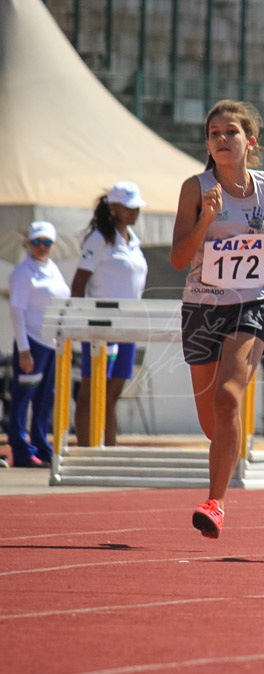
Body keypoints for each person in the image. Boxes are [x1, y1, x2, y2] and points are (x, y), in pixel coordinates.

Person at [171, 99, 264, 539]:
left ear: (250, 140)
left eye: (230, 132)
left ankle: (215, 503)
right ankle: (230, 448)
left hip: (252, 304)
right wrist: (207, 219)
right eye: (214, 134)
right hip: (201, 306)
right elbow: (178, 258)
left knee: (229, 397)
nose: (221, 140)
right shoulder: (195, 189)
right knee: (212, 422)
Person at [71, 181, 149, 447]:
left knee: (113, 393)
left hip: (127, 326)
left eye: (136, 207)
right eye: (129, 207)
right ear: (114, 208)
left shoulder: (134, 242)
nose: (135, 212)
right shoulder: (99, 239)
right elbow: (79, 282)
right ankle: (85, 448)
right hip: (100, 324)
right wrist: (78, 321)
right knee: (91, 390)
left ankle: (109, 448)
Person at [6, 221, 70, 467]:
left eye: (46, 243)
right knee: (23, 398)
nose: (41, 247)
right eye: (36, 242)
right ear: (28, 243)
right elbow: (17, 311)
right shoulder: (23, 272)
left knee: (45, 398)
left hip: (52, 343)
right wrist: (24, 349)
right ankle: (21, 451)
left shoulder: (53, 268)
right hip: (32, 342)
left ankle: (42, 446)